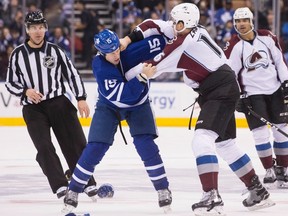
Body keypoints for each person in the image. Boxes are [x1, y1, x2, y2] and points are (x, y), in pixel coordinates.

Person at [121, 3, 275, 215]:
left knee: (201, 140)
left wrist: (117, 70)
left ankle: (211, 195)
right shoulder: (194, 30)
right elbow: (153, 24)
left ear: (187, 22)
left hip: (219, 90)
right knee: (225, 144)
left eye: (178, 22)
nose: (173, 25)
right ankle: (258, 191)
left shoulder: (184, 43)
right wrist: (128, 39)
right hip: (221, 87)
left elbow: (150, 68)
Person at [62, 27, 174, 214]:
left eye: (117, 50)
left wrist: (173, 32)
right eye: (110, 53)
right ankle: (73, 190)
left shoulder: (129, 49)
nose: (115, 55)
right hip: (110, 106)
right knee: (95, 147)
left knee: (146, 145)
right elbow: (125, 95)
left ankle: (163, 188)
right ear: (100, 52)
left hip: (140, 104)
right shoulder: (99, 66)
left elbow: (165, 39)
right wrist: (143, 76)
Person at [5, 10, 98, 200]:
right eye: (33, 27)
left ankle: (86, 182)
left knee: (76, 143)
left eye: (40, 27)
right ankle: (60, 185)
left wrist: (80, 97)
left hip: (59, 103)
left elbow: (72, 74)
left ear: (45, 28)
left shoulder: (55, 51)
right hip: (33, 108)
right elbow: (10, 82)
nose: (37, 31)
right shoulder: (17, 54)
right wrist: (25, 91)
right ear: (27, 30)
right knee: (44, 147)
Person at [223, 7, 288, 189]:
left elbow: (279, 61)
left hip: (274, 91)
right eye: (238, 21)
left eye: (245, 20)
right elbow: (231, 74)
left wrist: (286, 83)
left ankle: (283, 168)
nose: (241, 24)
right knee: (259, 134)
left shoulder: (267, 37)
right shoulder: (233, 45)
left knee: (280, 129)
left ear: (251, 22)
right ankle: (269, 169)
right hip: (252, 95)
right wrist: (237, 96)